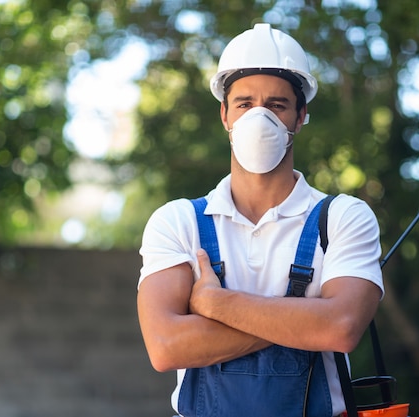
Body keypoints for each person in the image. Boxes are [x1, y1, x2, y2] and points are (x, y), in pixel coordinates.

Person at [137, 23, 384, 417]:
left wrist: (215, 304)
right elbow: (166, 347)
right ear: (224, 115)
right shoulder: (177, 221)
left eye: (276, 105)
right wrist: (303, 317)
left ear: (300, 117)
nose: (259, 117)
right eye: (244, 103)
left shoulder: (343, 218)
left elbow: (340, 327)